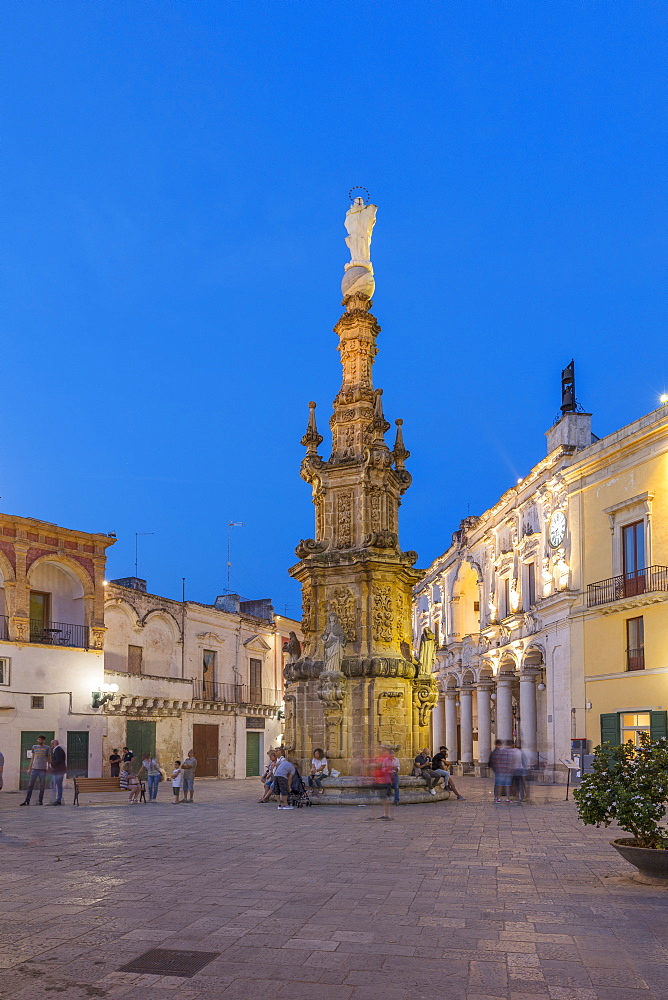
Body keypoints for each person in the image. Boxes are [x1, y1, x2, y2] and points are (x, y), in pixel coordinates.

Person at [21, 735, 51, 805]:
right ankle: (27, 800)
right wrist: (29, 768)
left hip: (43, 769)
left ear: (43, 740)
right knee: (30, 785)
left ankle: (40, 800)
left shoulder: (47, 748)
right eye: (38, 740)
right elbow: (32, 758)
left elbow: (49, 758)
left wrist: (49, 767)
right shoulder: (34, 747)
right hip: (34, 769)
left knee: (42, 786)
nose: (39, 741)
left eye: (40, 740)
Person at [49, 739, 67, 805]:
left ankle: (56, 800)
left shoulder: (58, 750)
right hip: (59, 771)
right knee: (58, 785)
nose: (51, 745)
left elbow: (58, 760)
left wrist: (52, 765)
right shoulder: (58, 750)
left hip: (58, 771)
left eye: (51, 744)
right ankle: (59, 799)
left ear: (54, 744)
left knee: (53, 784)